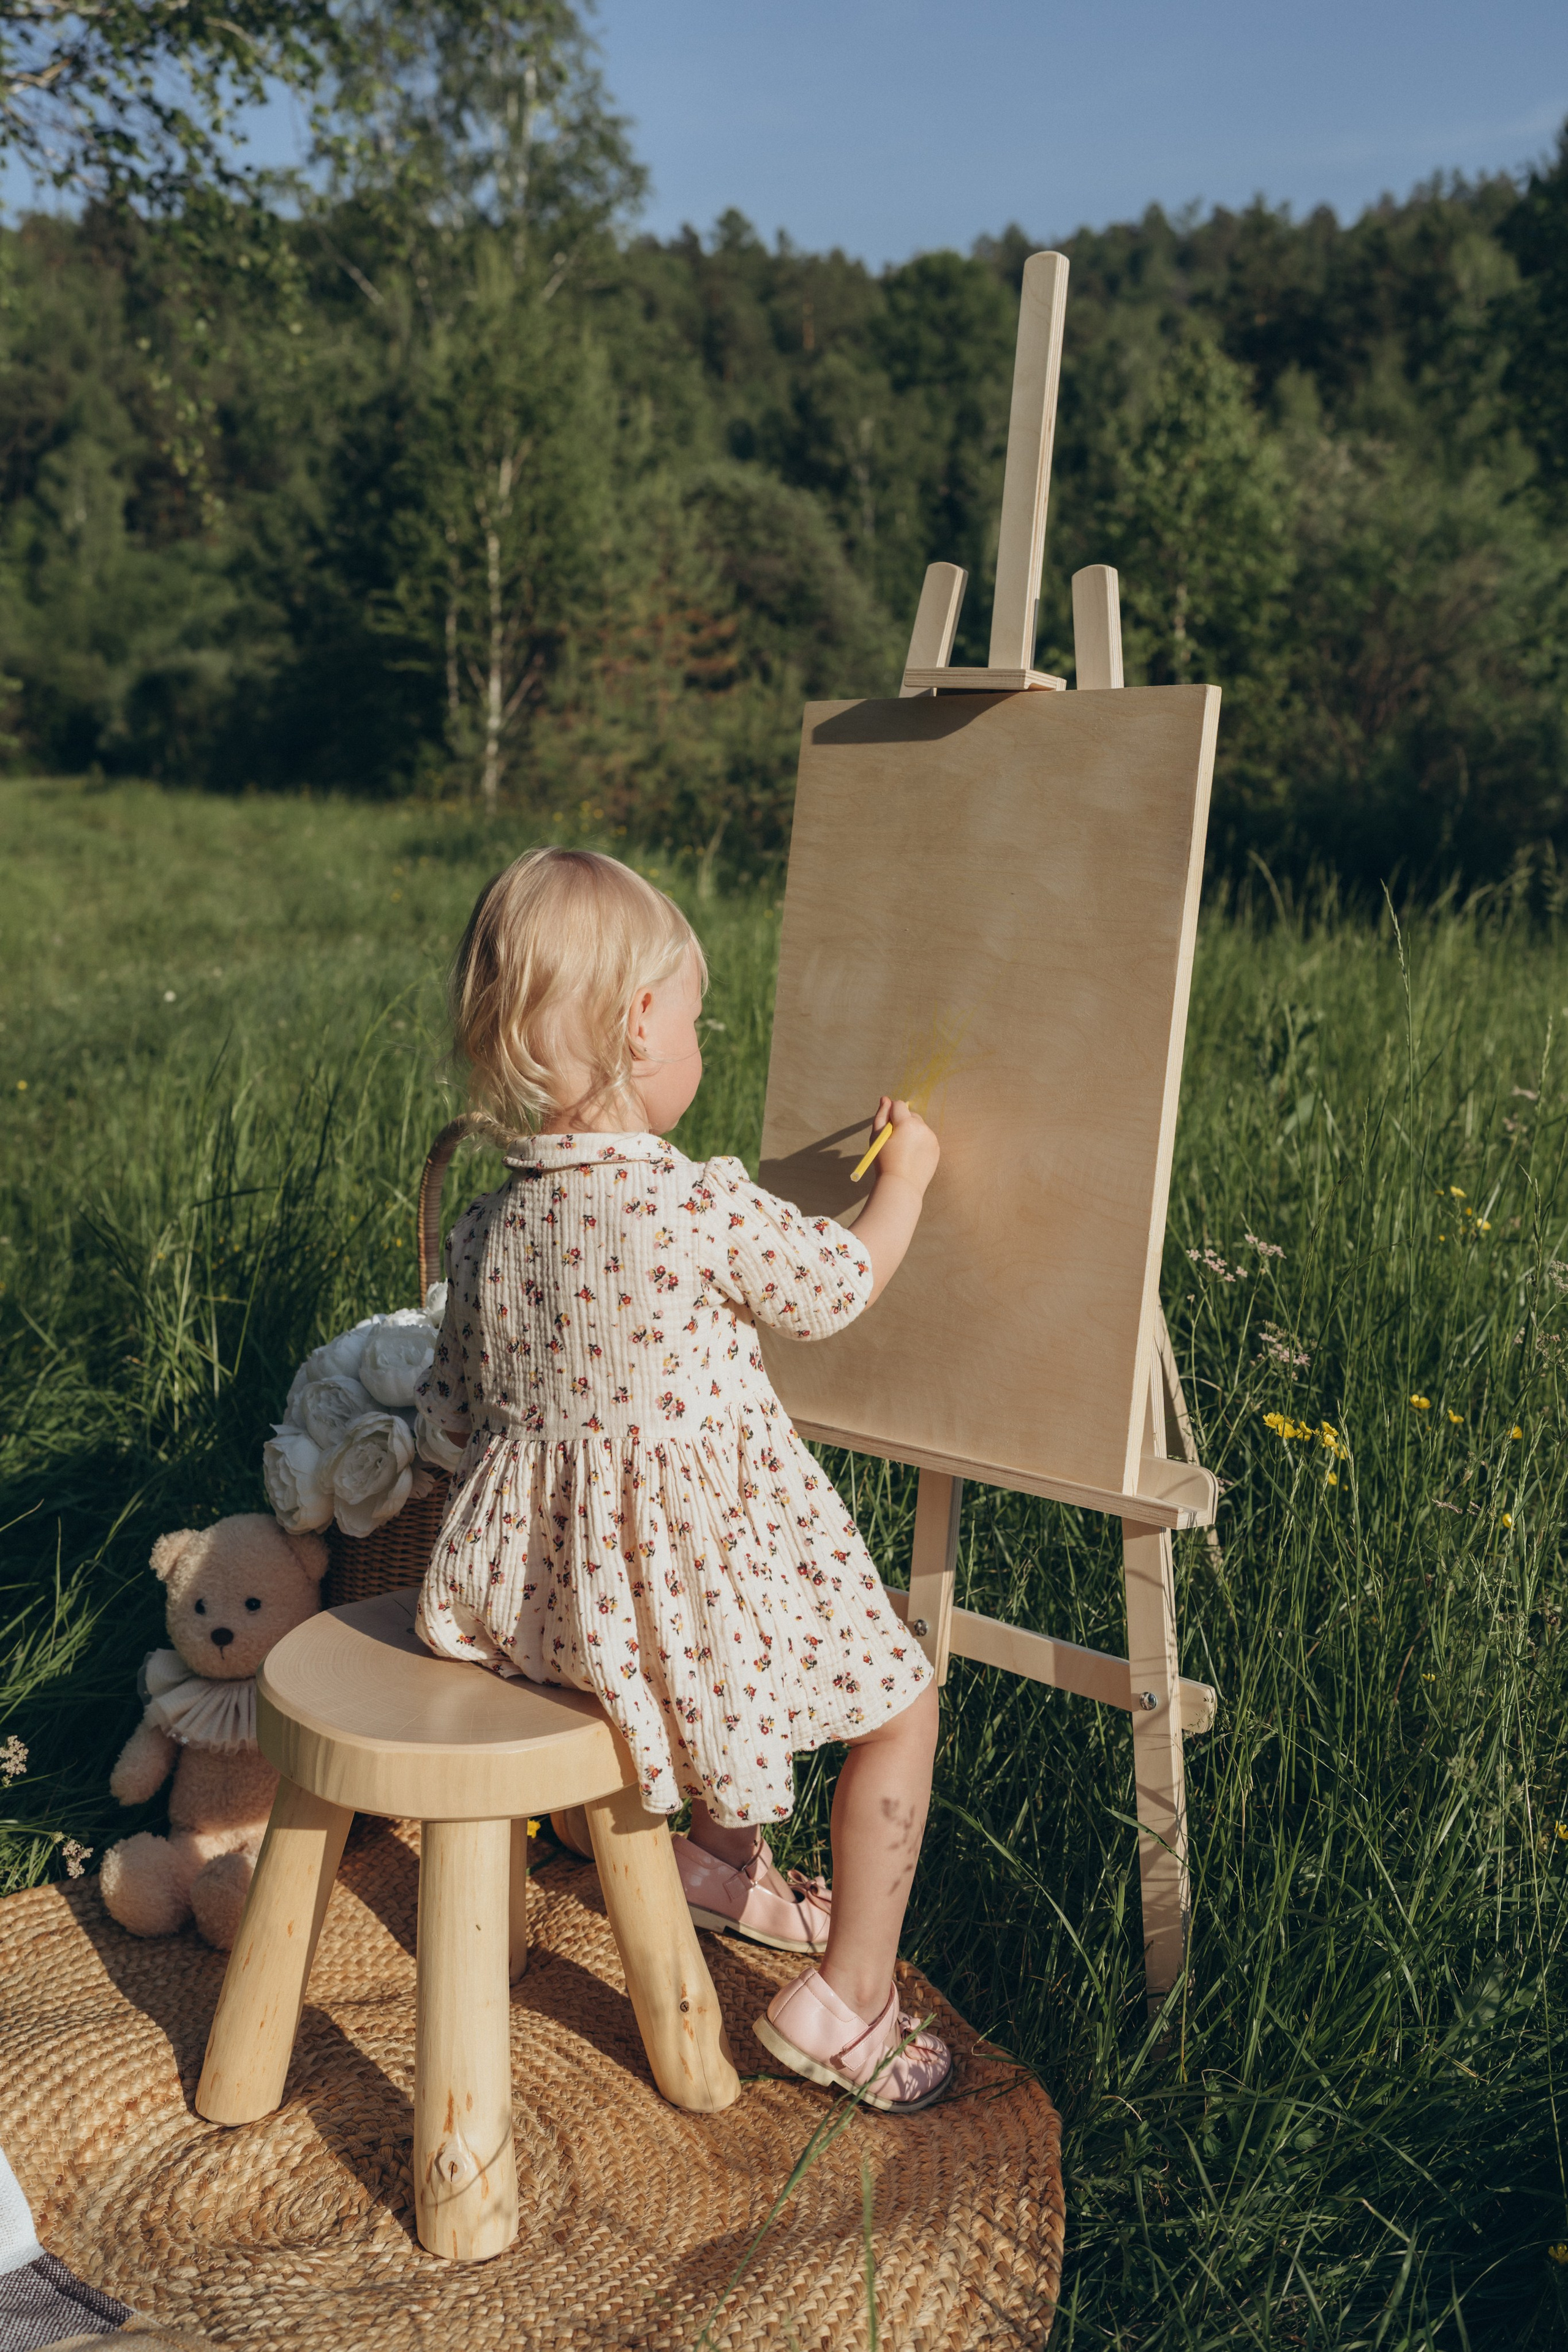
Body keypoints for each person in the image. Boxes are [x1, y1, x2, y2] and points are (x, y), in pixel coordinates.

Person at [415, 846, 951, 2112]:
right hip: (675, 1616)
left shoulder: (484, 1226)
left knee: (693, 1645)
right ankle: (849, 1999)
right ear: (643, 1025)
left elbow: (449, 1417)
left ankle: (717, 1862)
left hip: (534, 1618)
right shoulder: (694, 1204)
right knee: (895, 1706)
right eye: (697, 1018)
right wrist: (909, 1183)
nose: (699, 1041)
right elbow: (829, 1290)